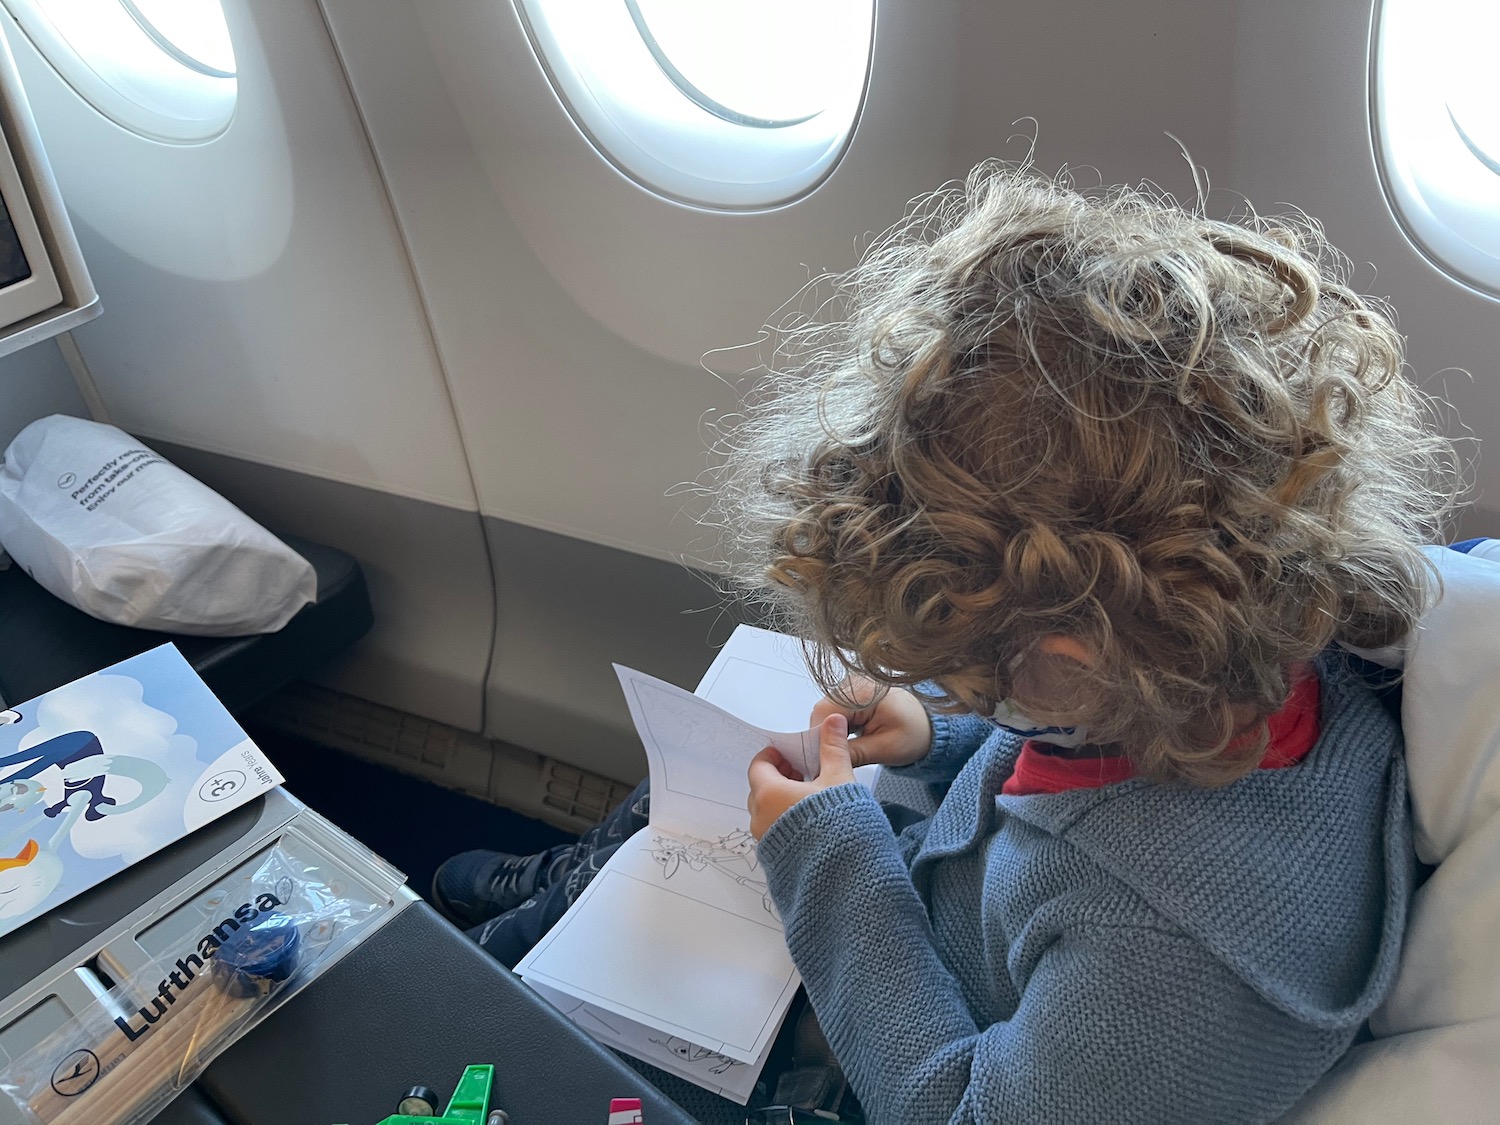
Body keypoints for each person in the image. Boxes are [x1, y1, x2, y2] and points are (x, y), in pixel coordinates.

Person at [435, 162, 1457, 1124]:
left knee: (530, 1041)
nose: (949, 681)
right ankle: (555, 906)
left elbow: (956, 1106)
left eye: (965, 668)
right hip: (925, 909)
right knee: (700, 784)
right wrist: (942, 732)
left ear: (1074, 661)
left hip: (870, 1065)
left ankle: (509, 975)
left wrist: (831, 860)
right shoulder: (1216, 647)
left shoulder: (1182, 959)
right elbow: (1064, 759)